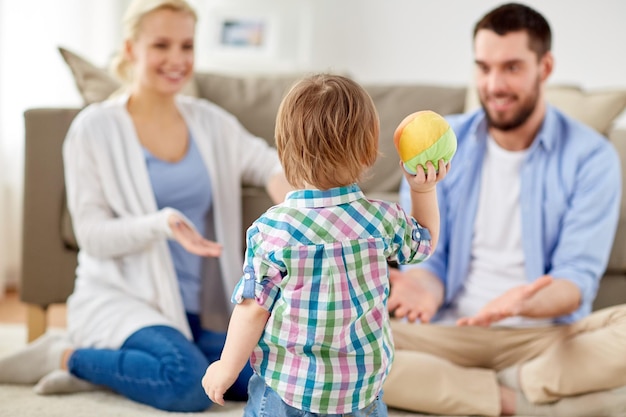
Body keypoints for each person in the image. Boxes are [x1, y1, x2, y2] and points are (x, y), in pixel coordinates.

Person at [0, 0, 291, 412]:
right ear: (132, 48)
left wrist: (306, 209)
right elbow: (92, 237)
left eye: (186, 46)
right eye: (162, 45)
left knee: (272, 373)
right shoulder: (94, 128)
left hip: (193, 312)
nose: (177, 59)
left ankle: (123, 369)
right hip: (123, 301)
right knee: (187, 383)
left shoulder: (210, 122)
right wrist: (161, 224)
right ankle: (65, 355)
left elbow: (268, 164)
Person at [384, 3, 626, 417]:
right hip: (449, 334)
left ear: (544, 67)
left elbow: (576, 278)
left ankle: (512, 382)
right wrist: (422, 286)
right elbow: (430, 259)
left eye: (511, 67)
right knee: (333, 344)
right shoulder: (440, 145)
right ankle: (521, 402)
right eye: (483, 67)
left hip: (546, 338)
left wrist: (521, 304)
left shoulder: (591, 156)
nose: (494, 84)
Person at [201, 74, 449, 416]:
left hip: (289, 389)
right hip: (361, 390)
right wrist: (423, 190)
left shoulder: (272, 230)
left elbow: (253, 309)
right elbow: (424, 242)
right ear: (367, 153)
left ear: (284, 150)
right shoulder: (380, 222)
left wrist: (226, 368)